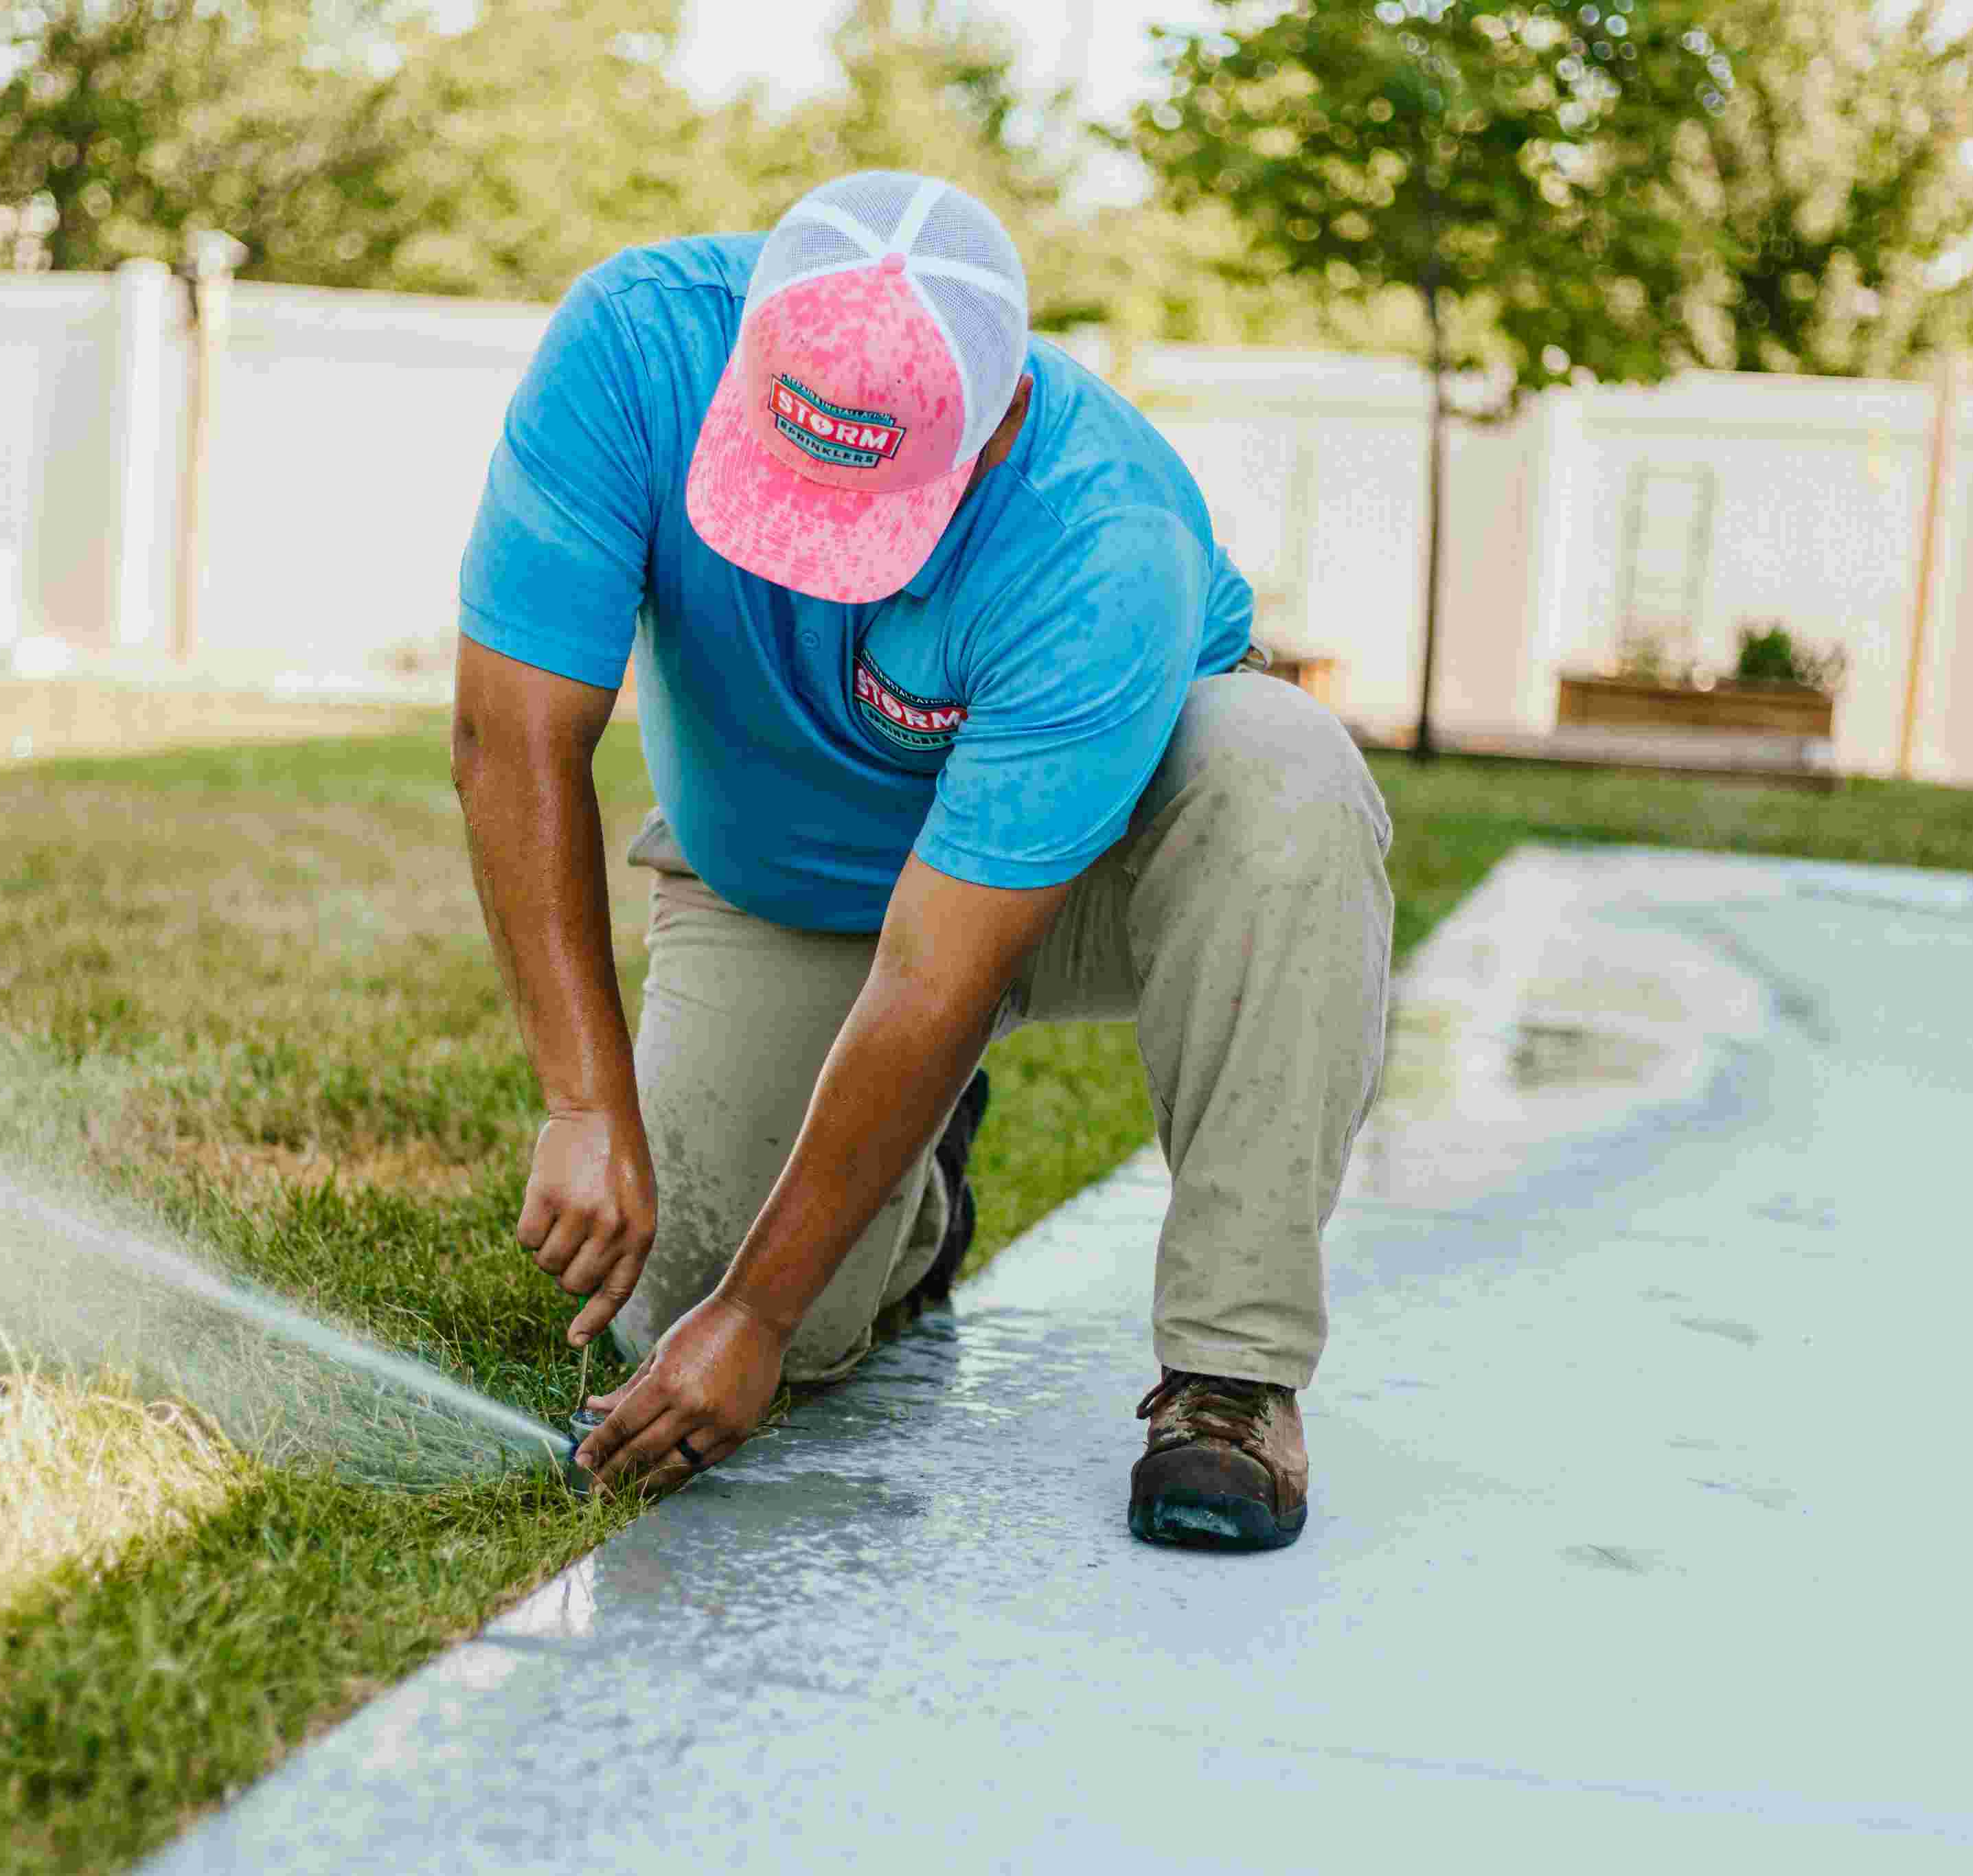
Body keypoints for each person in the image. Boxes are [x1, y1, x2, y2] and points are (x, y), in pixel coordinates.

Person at [450, 171, 1392, 1552]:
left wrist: (759, 1318)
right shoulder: (634, 347)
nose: (820, 562)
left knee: (1284, 775)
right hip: (784, 879)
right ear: (747, 346)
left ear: (999, 418)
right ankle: (906, 1204)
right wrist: (584, 1101)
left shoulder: (1099, 531)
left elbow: (941, 962)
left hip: (1078, 882)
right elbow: (508, 734)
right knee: (686, 1303)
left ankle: (1230, 1375)